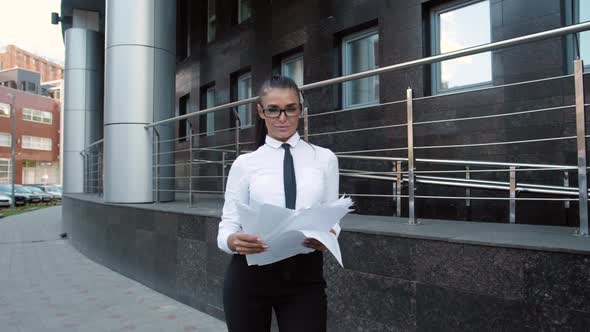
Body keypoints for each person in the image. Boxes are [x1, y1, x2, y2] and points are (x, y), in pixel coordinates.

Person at [217, 75, 341, 332]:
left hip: (304, 274)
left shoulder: (325, 159)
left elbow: (333, 216)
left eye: (290, 108)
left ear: (301, 109)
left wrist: (329, 235)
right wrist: (231, 241)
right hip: (250, 274)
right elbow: (228, 224)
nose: (282, 118)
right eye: (273, 110)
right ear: (261, 111)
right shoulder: (245, 164)